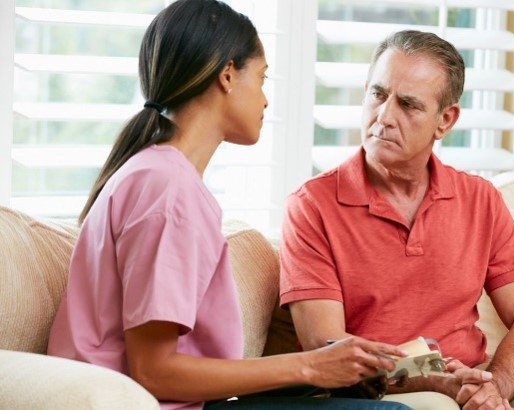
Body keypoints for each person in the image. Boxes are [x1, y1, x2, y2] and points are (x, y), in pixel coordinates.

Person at [45, 2, 429, 409]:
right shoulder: (166, 190)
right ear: (227, 75)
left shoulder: (160, 176)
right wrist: (309, 368)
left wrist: (328, 369)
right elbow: (153, 371)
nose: (265, 101)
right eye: (262, 79)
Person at [279, 30, 514, 410]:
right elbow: (327, 348)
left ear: (445, 120)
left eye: (408, 104)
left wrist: (493, 387)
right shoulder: (311, 205)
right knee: (438, 407)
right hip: (376, 392)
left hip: (471, 377)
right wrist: (440, 383)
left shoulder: (480, 199)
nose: (384, 117)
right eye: (378, 94)